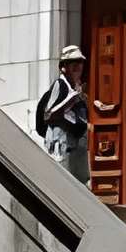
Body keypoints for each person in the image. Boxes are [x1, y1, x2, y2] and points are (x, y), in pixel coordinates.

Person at [37, 44, 90, 184]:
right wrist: (72, 100)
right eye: (74, 62)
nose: (78, 66)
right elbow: (49, 114)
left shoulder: (75, 87)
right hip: (62, 146)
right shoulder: (60, 85)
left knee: (80, 185)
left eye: (80, 62)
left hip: (76, 147)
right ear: (63, 67)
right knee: (65, 184)